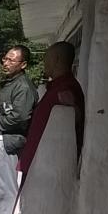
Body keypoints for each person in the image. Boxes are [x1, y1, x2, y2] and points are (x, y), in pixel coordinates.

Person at [0, 45, 38, 214]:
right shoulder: (7, 83)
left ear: (23, 64)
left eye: (11, 60)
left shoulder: (23, 87)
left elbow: (19, 117)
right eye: (5, 58)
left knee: (4, 190)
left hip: (8, 142)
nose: (6, 63)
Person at [20, 42, 85, 174]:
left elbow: (72, 122)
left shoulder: (66, 89)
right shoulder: (55, 87)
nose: (44, 63)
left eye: (46, 59)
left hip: (50, 164)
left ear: (56, 59)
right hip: (38, 159)